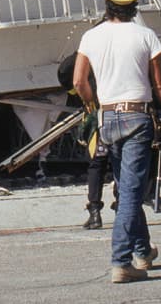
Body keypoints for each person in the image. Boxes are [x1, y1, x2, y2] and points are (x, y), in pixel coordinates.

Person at [73, 0, 161, 284]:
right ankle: (121, 262)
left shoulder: (90, 36)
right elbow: (160, 85)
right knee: (132, 194)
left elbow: (79, 80)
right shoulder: (145, 36)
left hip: (108, 119)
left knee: (127, 188)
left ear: (107, 1)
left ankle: (142, 251)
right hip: (137, 117)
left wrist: (94, 106)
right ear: (135, 3)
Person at [56, 50, 113, 229]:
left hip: (99, 118)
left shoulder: (88, 49)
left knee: (97, 164)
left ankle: (95, 213)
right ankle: (123, 208)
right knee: (121, 163)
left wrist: (88, 102)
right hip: (120, 114)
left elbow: (66, 74)